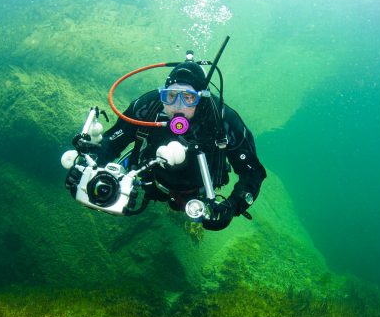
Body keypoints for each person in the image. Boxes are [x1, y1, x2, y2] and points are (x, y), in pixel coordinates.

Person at [93, 60, 266, 231]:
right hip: (152, 182)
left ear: (201, 98)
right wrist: (91, 164)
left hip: (198, 192)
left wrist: (234, 205)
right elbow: (112, 142)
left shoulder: (223, 119)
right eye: (171, 96)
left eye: (189, 97)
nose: (178, 105)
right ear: (163, 94)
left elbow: (253, 172)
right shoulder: (149, 106)